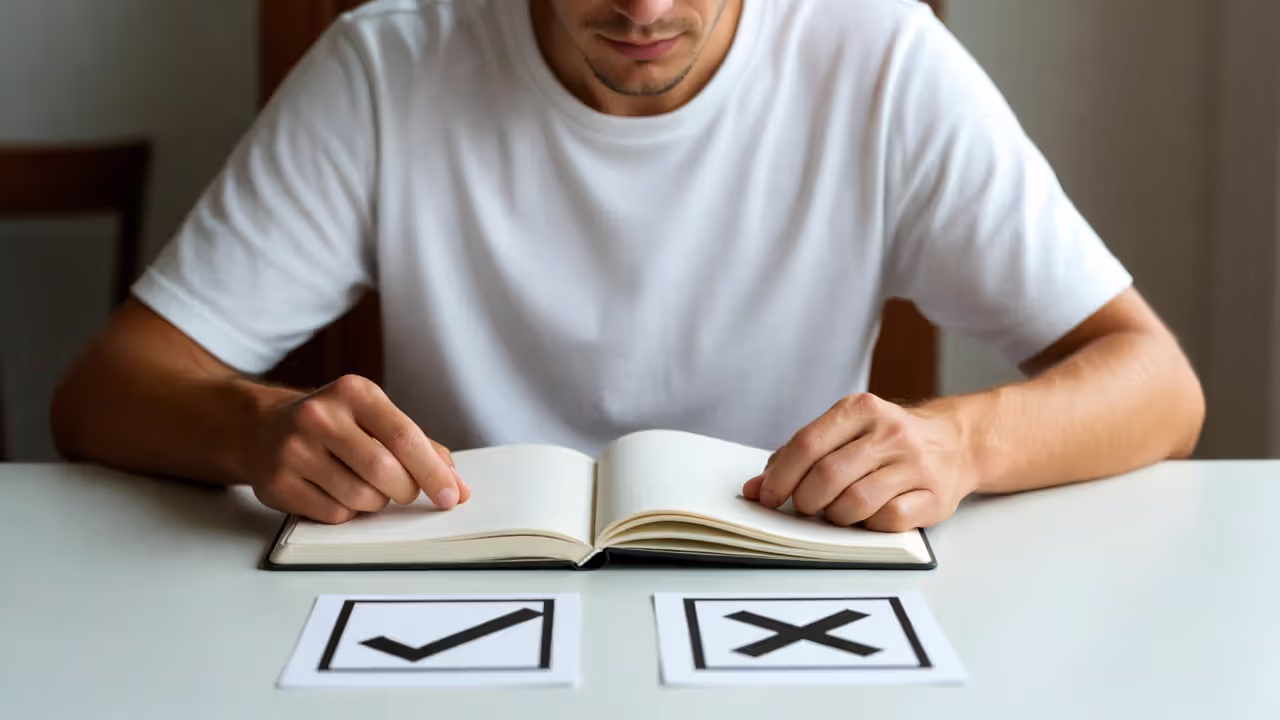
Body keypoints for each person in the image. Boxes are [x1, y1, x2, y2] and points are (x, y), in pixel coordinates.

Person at [50, 0, 1204, 533]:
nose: (645, 8)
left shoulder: (884, 57)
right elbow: (105, 393)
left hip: (783, 609)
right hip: (467, 601)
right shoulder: (386, 63)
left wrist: (957, 442)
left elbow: (1156, 384)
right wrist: (255, 429)